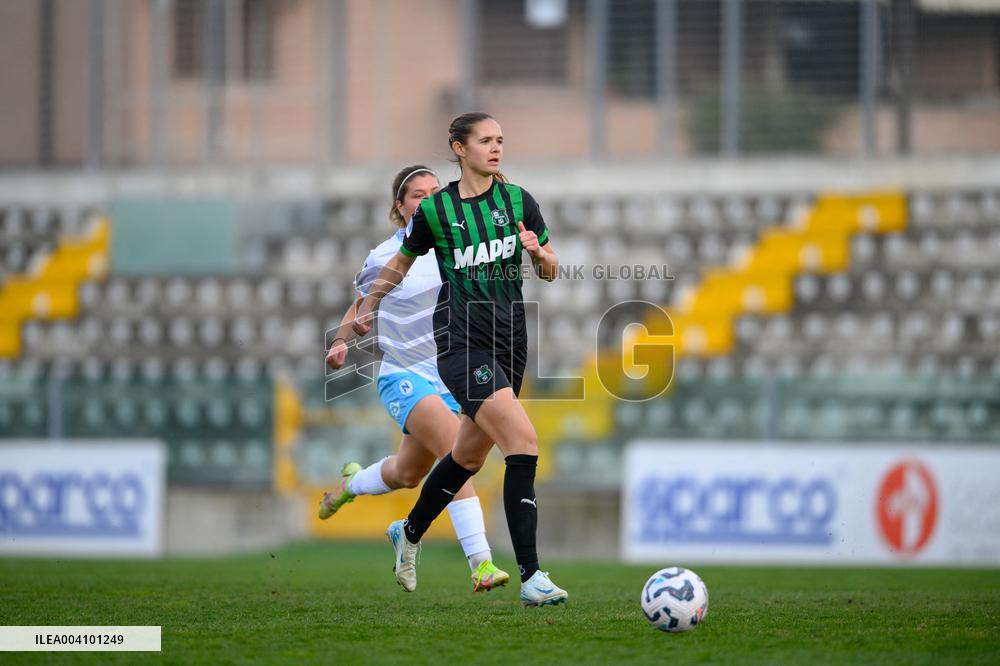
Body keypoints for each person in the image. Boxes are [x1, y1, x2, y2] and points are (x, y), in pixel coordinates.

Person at [352, 112, 568, 607]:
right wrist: (368, 308)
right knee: (523, 442)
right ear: (459, 148)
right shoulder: (438, 211)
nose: (496, 149)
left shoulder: (518, 201)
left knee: (468, 458)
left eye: (500, 141)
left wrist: (539, 255)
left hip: (510, 342)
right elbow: (400, 265)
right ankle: (532, 575)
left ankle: (407, 532)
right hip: (460, 344)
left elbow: (553, 269)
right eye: (486, 141)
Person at [320, 164, 509, 593]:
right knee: (456, 456)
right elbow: (363, 302)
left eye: (434, 192)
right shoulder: (386, 255)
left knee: (407, 473)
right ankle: (481, 563)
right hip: (404, 374)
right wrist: (342, 339)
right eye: (417, 195)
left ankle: (351, 485)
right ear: (400, 208)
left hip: (451, 376)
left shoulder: (459, 247)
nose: (427, 200)